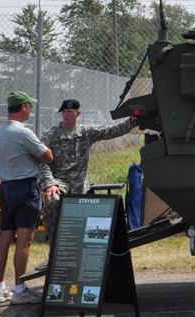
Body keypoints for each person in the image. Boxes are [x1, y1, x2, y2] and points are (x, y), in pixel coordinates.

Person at [38, 99, 138, 245]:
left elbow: (110, 131)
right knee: (53, 201)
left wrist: (131, 121)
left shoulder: (86, 132)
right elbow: (42, 162)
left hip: (79, 185)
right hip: (59, 183)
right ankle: (54, 246)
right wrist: (50, 184)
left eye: (70, 112)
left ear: (78, 113)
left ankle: (86, 248)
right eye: (64, 112)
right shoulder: (50, 135)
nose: (66, 115)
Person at [0, 91, 53, 305]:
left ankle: (0, 288)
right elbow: (47, 156)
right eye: (30, 106)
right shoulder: (23, 132)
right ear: (24, 107)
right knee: (25, 240)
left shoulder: (1, 130)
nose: (31, 110)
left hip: (6, 187)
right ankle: (19, 290)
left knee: (4, 238)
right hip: (26, 188)